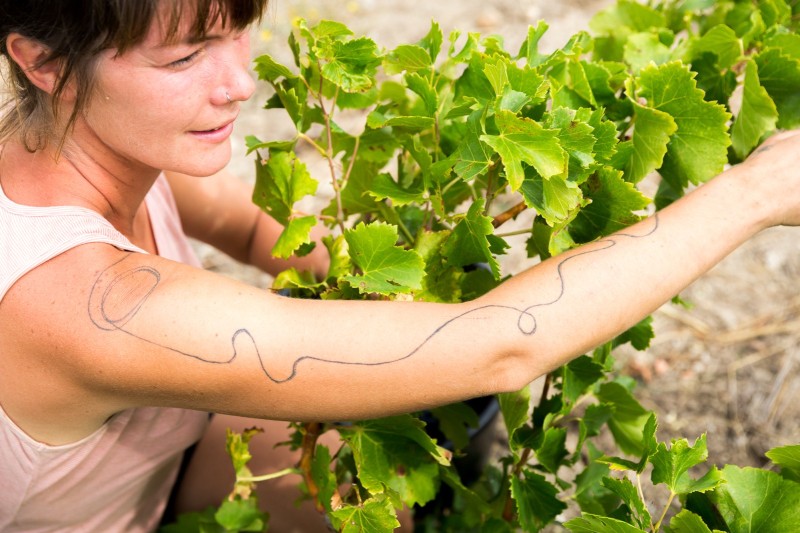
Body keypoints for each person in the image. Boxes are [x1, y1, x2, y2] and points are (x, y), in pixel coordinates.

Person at [0, 0, 799, 531]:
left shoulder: (80, 149)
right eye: (183, 60)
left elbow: (256, 225)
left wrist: (419, 259)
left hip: (152, 471)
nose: (240, 82)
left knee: (367, 461)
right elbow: (500, 347)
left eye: (240, 27)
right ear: (40, 60)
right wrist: (753, 190)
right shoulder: (92, 303)